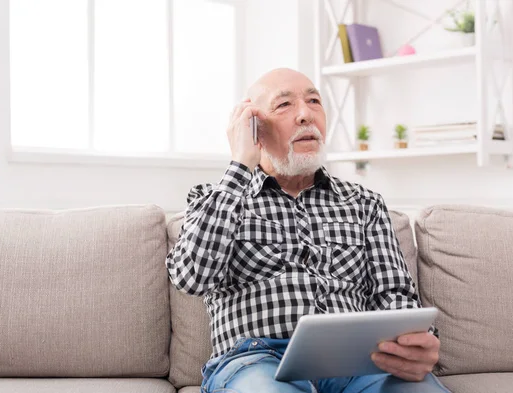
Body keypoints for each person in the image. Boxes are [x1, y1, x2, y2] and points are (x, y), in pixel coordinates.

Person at [166, 68, 449, 393]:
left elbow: (395, 295)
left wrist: (415, 342)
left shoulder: (364, 203)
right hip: (254, 362)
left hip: (359, 363)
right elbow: (192, 277)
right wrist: (240, 164)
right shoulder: (216, 199)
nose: (305, 115)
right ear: (253, 126)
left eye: (314, 101)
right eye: (284, 105)